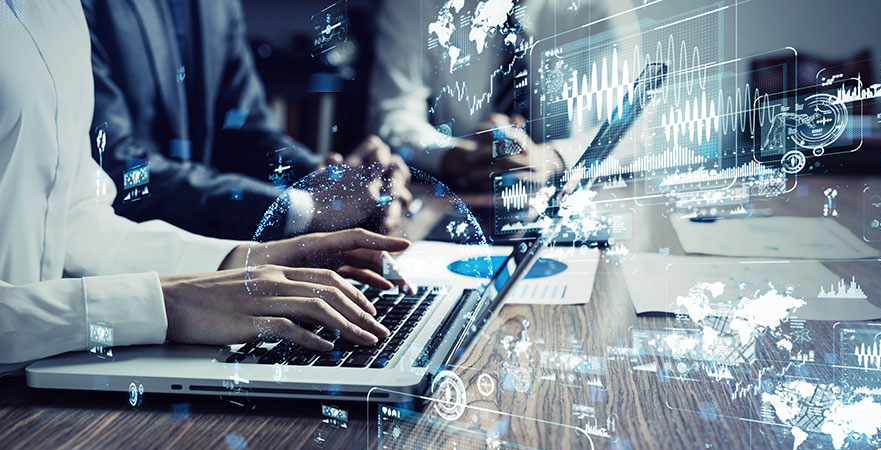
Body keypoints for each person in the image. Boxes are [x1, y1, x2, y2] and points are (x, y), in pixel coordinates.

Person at [0, 0, 411, 375]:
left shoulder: (54, 10)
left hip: (41, 379)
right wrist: (164, 303)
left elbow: (72, 217)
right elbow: (126, 168)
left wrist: (241, 262)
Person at [82, 0, 412, 239]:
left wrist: (327, 179)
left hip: (214, 261)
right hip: (123, 273)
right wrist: (304, 207)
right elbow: (114, 171)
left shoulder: (219, 7)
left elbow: (244, 130)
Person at [368, 0, 636, 191]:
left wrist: (554, 158)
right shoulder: (416, 5)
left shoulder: (603, 6)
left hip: (570, 192)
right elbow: (394, 112)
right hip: (461, 192)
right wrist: (453, 155)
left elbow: (633, 130)